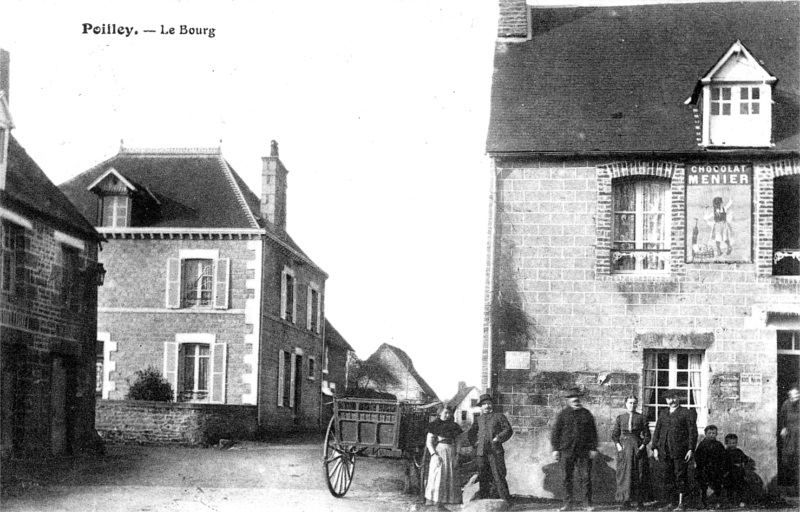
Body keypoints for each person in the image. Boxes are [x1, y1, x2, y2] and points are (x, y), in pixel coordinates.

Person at [552, 387, 598, 512]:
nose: (575, 399)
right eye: (572, 397)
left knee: (586, 477)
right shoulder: (563, 414)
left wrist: (593, 448)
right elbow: (556, 432)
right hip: (566, 450)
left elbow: (593, 433)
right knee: (566, 478)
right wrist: (555, 449)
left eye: (577, 397)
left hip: (583, 451)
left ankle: (587, 504)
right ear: (568, 399)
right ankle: (567, 504)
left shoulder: (586, 414)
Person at [651, 389, 697, 511]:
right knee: (668, 476)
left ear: (679, 398)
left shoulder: (686, 413)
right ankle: (671, 503)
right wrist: (655, 447)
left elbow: (693, 432)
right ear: (666, 400)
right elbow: (657, 431)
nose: (672, 401)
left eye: (674, 397)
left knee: (680, 476)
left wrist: (691, 449)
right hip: (664, 451)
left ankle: (681, 504)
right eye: (669, 398)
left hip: (680, 451)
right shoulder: (663, 413)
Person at [467, 394, 513, 505]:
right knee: (483, 476)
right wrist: (475, 443)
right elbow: (471, 433)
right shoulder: (479, 419)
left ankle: (506, 502)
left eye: (488, 403)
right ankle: (484, 501)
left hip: (495, 451)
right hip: (481, 453)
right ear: (481, 407)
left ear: (492, 404)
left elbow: (508, 430)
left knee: (498, 476)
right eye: (484, 404)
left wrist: (498, 438)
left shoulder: (499, 416)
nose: (487, 406)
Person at [611, 395, 651, 510]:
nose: (632, 405)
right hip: (624, 449)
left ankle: (639, 502)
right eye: (630, 403)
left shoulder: (642, 418)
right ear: (626, 404)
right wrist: (619, 447)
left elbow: (647, 436)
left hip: (638, 448)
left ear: (636, 404)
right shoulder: (620, 418)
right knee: (625, 474)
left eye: (634, 403)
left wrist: (642, 446)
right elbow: (615, 435)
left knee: (639, 474)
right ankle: (625, 502)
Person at [424, 402, 463, 508]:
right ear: (440, 413)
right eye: (445, 413)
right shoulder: (434, 425)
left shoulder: (454, 426)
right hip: (439, 452)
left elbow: (459, 441)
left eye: (449, 413)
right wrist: (434, 455)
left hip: (451, 451)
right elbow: (429, 442)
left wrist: (457, 454)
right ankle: (436, 500)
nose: (448, 415)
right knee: (438, 475)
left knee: (450, 475)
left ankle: (449, 500)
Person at [695, 425, 726, 509]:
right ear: (705, 434)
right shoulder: (702, 445)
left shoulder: (719, 445)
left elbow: (723, 457)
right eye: (709, 433)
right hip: (704, 469)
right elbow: (697, 457)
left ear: (716, 434)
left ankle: (717, 501)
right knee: (703, 485)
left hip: (716, 469)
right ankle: (704, 501)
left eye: (714, 433)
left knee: (717, 484)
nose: (712, 435)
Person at [722, 433, 754, 508]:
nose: (732, 445)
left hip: (739, 474)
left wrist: (743, 464)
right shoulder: (725, 452)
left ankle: (741, 501)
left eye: (734, 443)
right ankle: (730, 502)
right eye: (730, 443)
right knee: (729, 489)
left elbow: (745, 459)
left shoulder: (738, 451)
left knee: (741, 488)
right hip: (729, 474)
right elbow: (723, 463)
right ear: (726, 443)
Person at [779, 384, 799, 489]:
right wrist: (783, 428)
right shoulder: (786, 404)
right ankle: (789, 483)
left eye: (797, 394)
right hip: (790, 435)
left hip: (799, 434)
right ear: (789, 394)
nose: (795, 396)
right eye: (793, 394)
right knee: (788, 457)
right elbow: (782, 418)